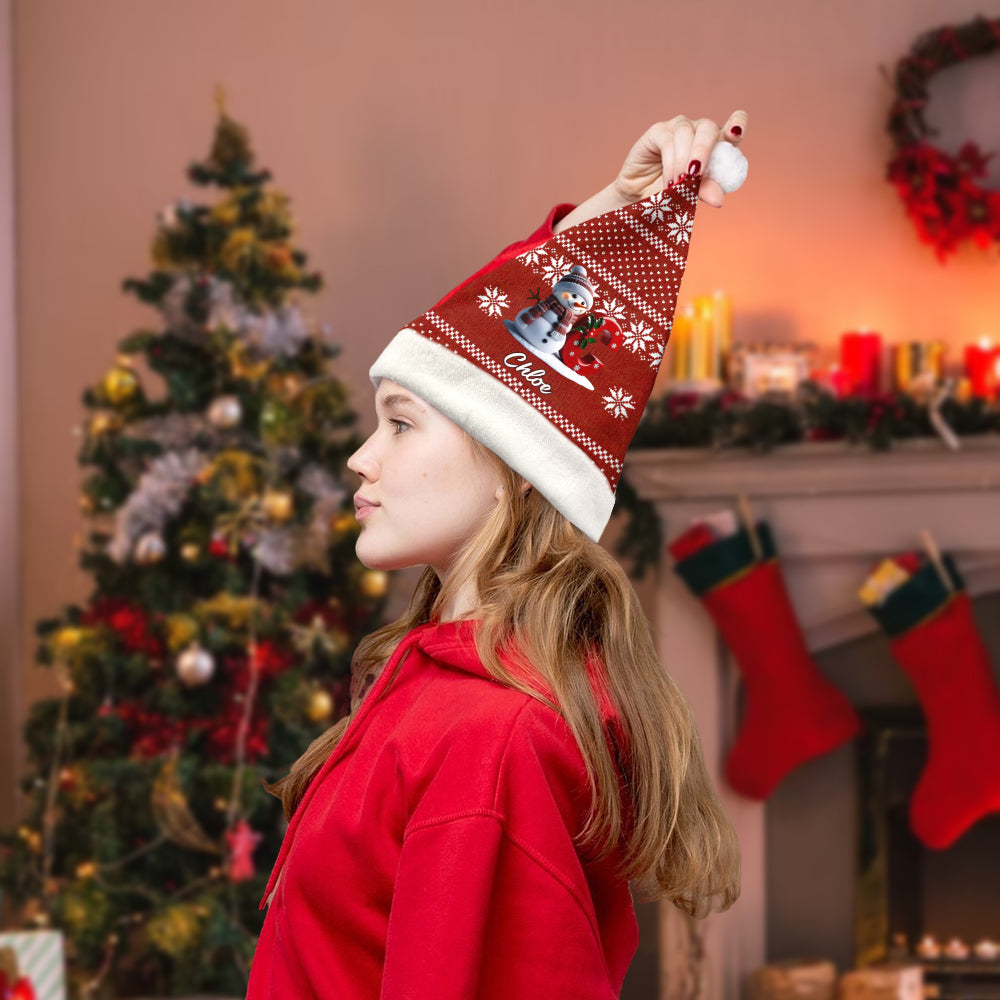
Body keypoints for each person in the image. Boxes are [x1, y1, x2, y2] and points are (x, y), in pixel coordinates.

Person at [247, 112, 747, 1000]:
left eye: (400, 423)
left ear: (514, 469)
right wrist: (612, 211)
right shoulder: (432, 687)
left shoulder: (490, 738)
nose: (361, 458)